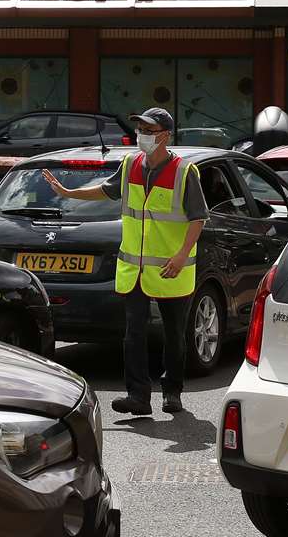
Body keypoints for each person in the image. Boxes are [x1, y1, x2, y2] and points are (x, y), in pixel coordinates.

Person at [43, 107, 205, 416]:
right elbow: (105, 191)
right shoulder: (130, 164)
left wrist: (182, 254)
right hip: (135, 270)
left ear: (165, 136)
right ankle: (138, 397)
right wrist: (68, 192)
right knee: (133, 334)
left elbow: (198, 218)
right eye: (140, 129)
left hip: (173, 268)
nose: (142, 135)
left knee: (174, 335)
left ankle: (172, 392)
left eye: (149, 130)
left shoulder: (185, 172)